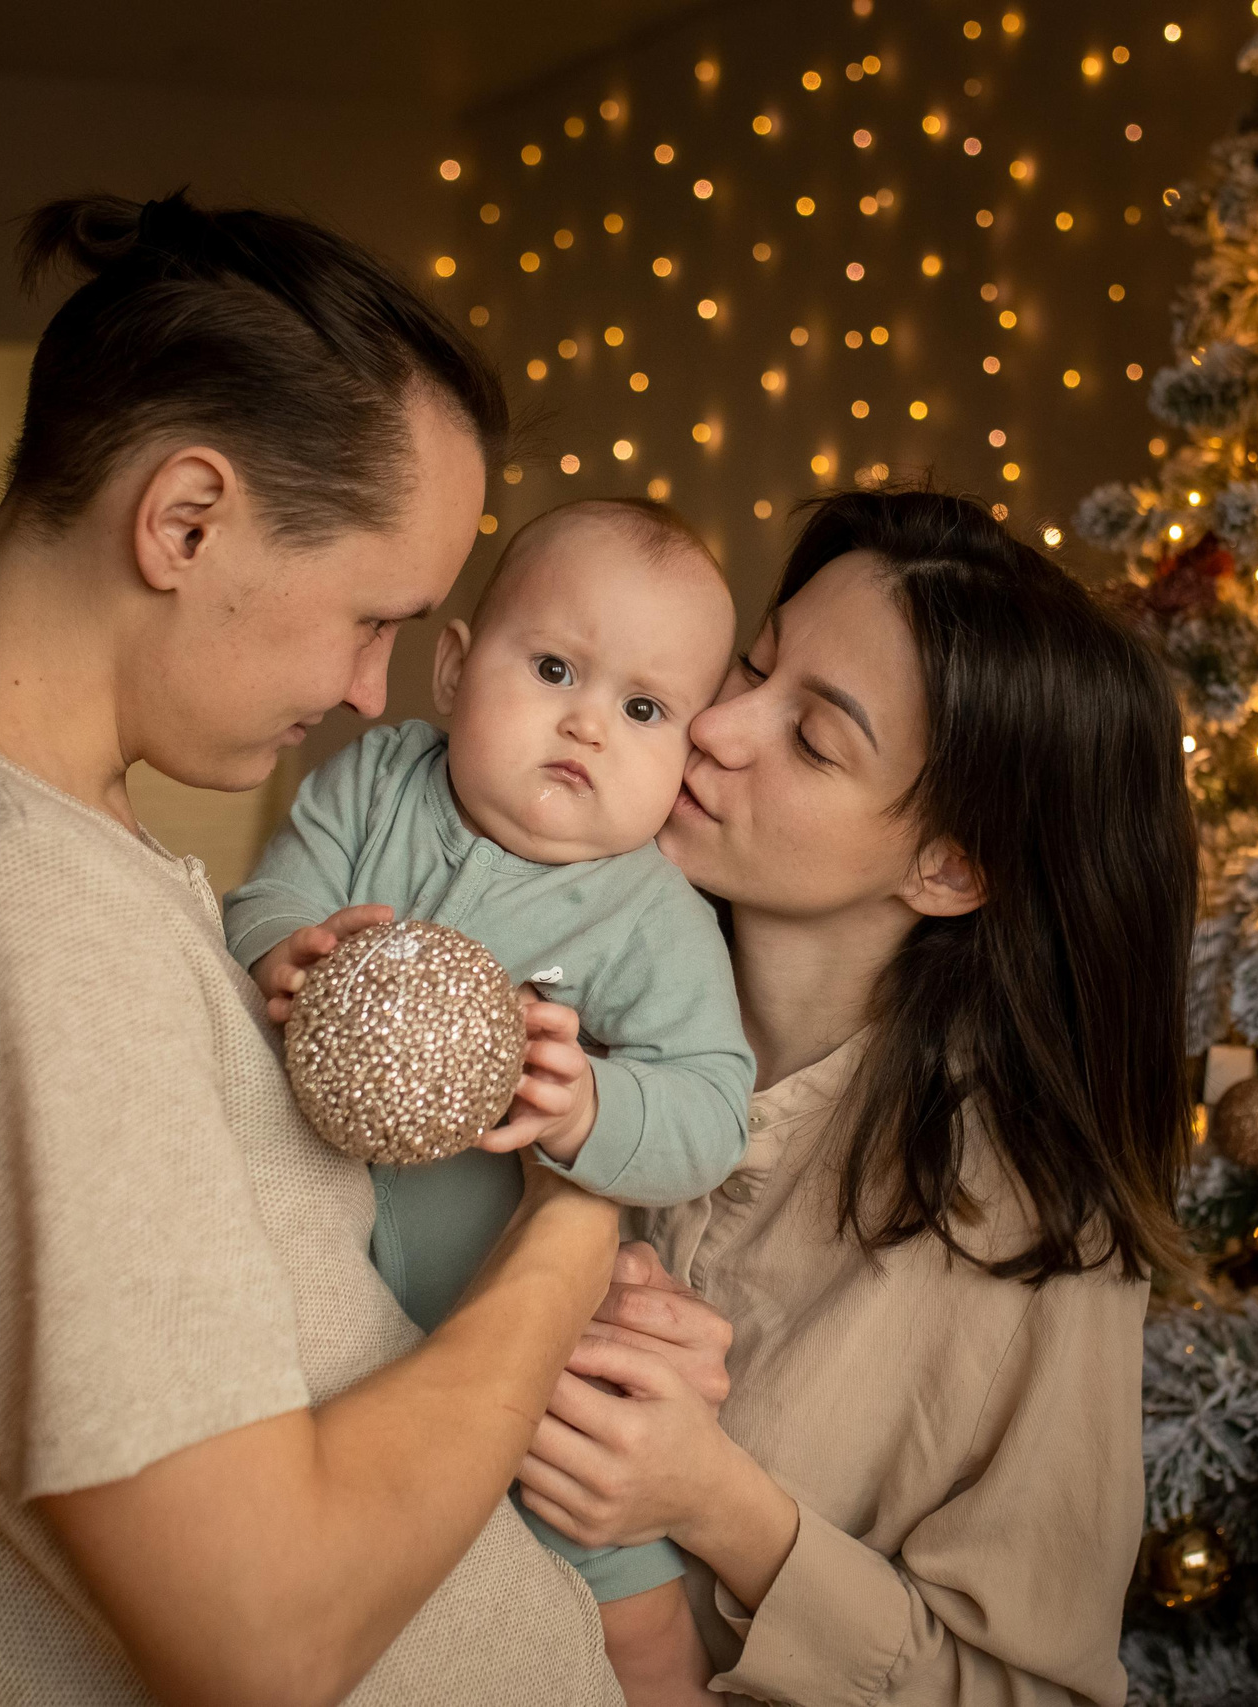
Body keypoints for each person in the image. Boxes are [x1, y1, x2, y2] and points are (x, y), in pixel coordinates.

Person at [0, 192, 628, 1707]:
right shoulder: (9, 910)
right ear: (185, 518)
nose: (372, 691)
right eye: (373, 616)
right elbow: (261, 1633)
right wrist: (573, 1232)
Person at [519, 489, 1197, 1705]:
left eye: (814, 739)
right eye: (754, 663)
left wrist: (717, 1506)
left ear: (946, 866)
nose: (716, 725)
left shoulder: (1034, 1238)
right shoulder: (542, 973)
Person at [224, 498, 754, 1700]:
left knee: (636, 1633)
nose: (586, 723)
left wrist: (587, 1108)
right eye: (554, 668)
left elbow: (713, 1108)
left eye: (644, 710)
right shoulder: (378, 782)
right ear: (457, 670)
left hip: (540, 1362)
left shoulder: (649, 913)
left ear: (684, 755)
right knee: (376, 1608)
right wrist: (284, 950)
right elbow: (268, 896)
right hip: (323, 1329)